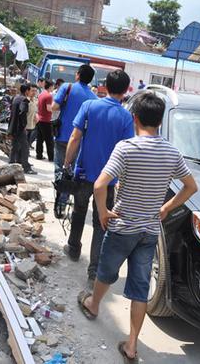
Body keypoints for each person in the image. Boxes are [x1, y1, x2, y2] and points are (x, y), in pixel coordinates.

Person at [77, 92, 198, 362]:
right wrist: (166, 208)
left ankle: (93, 305)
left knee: (106, 272)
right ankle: (132, 345)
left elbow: (99, 185)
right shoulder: (172, 152)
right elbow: (191, 186)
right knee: (140, 288)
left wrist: (103, 213)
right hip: (149, 231)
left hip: (123, 228)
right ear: (160, 121)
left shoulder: (126, 148)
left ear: (135, 118)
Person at [61, 70, 134, 284]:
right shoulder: (125, 117)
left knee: (79, 211)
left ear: (104, 86)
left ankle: (73, 248)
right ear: (126, 89)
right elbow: (126, 149)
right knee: (102, 221)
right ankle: (94, 271)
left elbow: (75, 137)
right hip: (108, 179)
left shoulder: (90, 106)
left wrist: (67, 162)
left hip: (83, 172)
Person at [51, 65, 97, 218]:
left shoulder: (67, 87)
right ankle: (64, 203)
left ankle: (59, 203)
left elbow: (54, 107)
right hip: (79, 140)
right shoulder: (93, 98)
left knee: (60, 168)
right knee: (71, 172)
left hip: (62, 135)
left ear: (77, 75)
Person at [8, 84, 36, 175]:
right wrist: (24, 125)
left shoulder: (16, 98)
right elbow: (23, 112)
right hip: (20, 128)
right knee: (25, 147)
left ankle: (11, 164)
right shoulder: (24, 100)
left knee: (14, 146)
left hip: (13, 126)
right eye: (30, 90)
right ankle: (26, 168)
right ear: (27, 91)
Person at [36, 80, 55, 161]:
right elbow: (48, 108)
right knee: (49, 140)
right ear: (50, 86)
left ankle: (39, 155)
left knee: (39, 139)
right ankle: (51, 157)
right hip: (46, 120)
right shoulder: (49, 96)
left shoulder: (41, 94)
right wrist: (55, 109)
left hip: (39, 119)